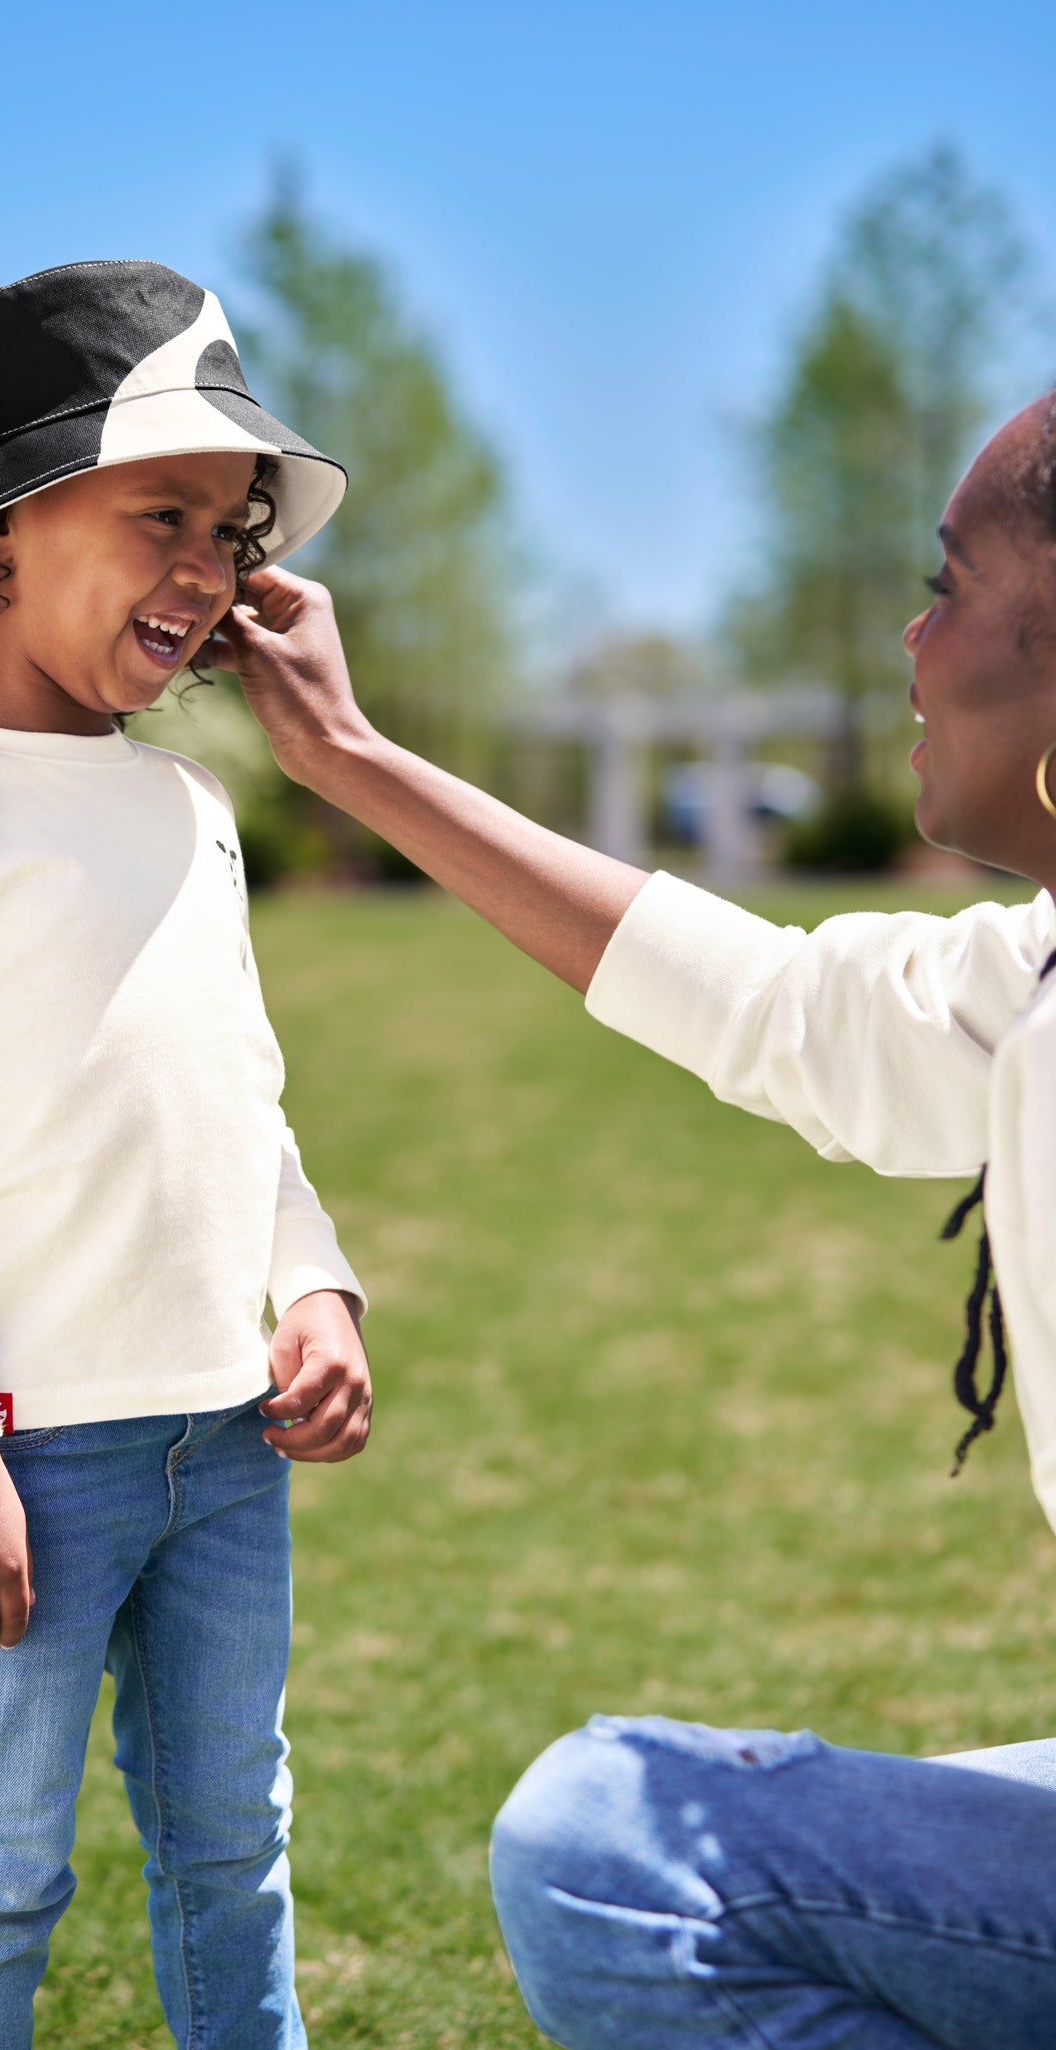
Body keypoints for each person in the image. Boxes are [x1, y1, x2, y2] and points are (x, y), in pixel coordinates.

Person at [209, 392, 1056, 2047]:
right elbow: (778, 1010)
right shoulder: (1034, 975)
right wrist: (356, 762)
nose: (913, 631)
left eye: (950, 582)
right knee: (886, 1829)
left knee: (617, 1848)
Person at [0, 260, 370, 2050]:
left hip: (223, 1434)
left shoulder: (191, 808)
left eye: (231, 527)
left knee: (232, 1850)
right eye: (160, 515)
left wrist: (313, 1276)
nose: (206, 568)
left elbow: (239, 1091)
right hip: (19, 1453)